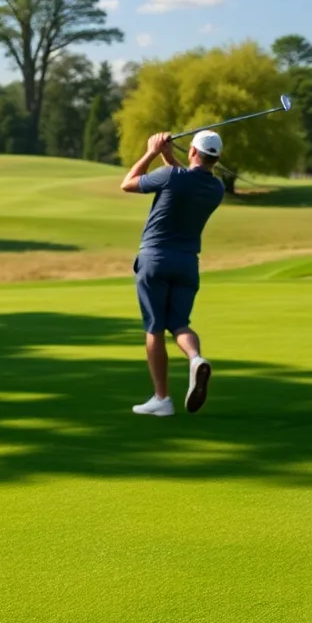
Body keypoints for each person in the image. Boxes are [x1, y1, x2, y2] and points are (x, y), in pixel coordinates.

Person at [120, 129, 226, 416]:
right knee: (179, 323)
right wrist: (169, 155)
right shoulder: (216, 189)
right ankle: (195, 359)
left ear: (192, 151)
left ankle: (162, 399)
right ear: (216, 159)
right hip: (187, 264)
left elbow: (127, 184)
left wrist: (153, 151)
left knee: (154, 328)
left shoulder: (171, 177)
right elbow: (185, 179)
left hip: (155, 259)